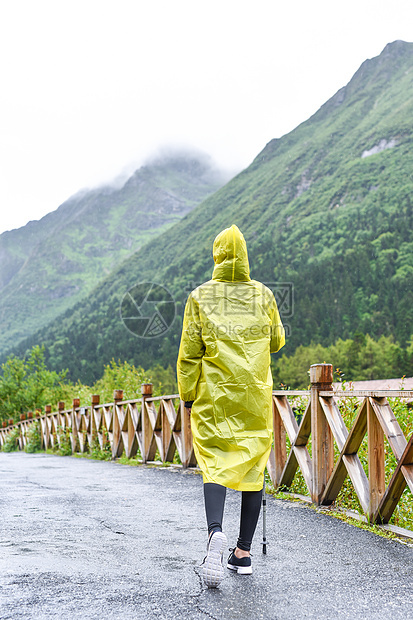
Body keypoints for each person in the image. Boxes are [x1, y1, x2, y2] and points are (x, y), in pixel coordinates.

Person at [177, 224, 285, 588]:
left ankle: (214, 534)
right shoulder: (265, 295)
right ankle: (243, 553)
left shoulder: (200, 297)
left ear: (217, 256)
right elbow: (277, 341)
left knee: (215, 463)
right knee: (254, 466)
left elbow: (189, 356)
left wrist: (188, 396)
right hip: (254, 396)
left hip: (215, 396)